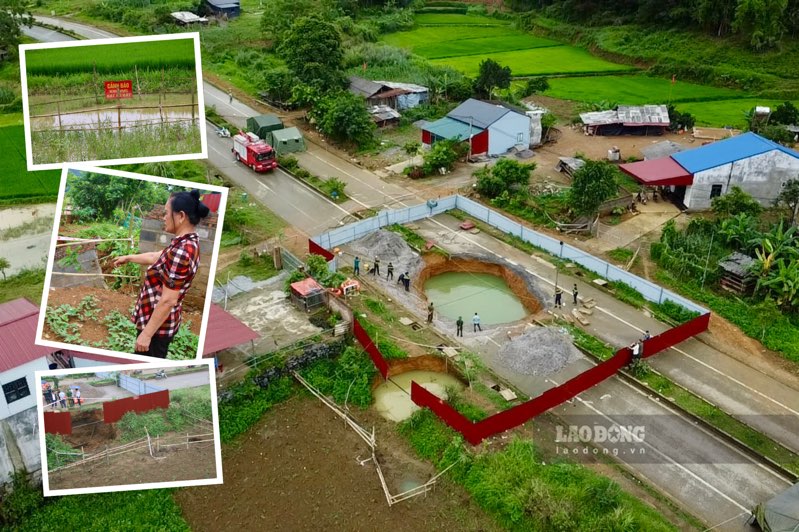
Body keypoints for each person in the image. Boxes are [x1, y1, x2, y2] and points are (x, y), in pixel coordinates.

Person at [114, 190, 210, 358]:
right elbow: (155, 256)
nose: (163, 217)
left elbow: (168, 300)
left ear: (181, 216)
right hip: (158, 324)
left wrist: (146, 335)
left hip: (157, 330)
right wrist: (128, 258)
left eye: (166, 213)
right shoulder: (185, 243)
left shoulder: (182, 250)